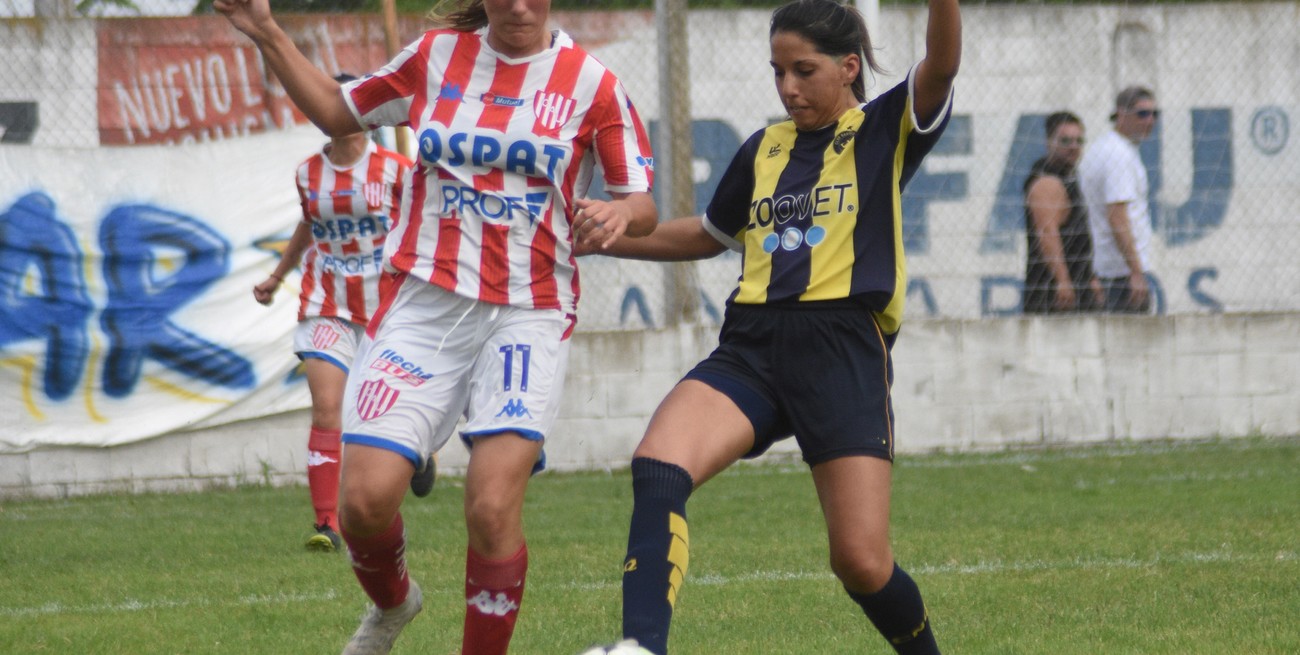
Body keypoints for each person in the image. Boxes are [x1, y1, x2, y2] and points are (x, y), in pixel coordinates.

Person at [216, 0, 658, 653]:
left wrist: (623, 218)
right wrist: (266, 32)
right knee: (363, 505)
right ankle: (394, 603)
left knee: (490, 505)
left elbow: (640, 198)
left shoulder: (592, 84)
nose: (518, 6)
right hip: (423, 304)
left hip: (527, 312)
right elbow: (340, 112)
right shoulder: (435, 58)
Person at [576, 0, 959, 653]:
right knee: (659, 465)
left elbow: (943, 64)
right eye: (777, 71)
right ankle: (640, 646)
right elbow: (707, 234)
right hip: (751, 345)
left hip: (842, 350)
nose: (787, 87)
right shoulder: (764, 148)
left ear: (847, 68)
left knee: (861, 561)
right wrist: (608, 237)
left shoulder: (882, 127)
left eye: (803, 70)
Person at [252, 83, 428, 553]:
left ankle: (420, 453)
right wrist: (277, 276)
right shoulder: (308, 172)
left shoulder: (397, 170)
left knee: (390, 413)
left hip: (387, 309)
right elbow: (308, 225)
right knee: (328, 407)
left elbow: (422, 225)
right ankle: (326, 524)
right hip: (325, 302)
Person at [1077, 86, 1158, 313]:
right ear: (1121, 114)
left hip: (1112, 271)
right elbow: (1117, 216)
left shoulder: (1107, 147)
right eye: (1142, 113)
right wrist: (1135, 272)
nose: (1150, 120)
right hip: (1121, 274)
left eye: (1154, 114)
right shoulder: (1118, 155)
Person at [1022, 110, 1101, 314]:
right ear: (1049, 142)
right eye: (1065, 141)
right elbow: (1047, 233)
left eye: (1078, 141)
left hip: (1078, 286)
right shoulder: (1046, 182)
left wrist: (1090, 277)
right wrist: (1062, 281)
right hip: (1052, 293)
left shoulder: (1070, 178)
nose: (1073, 147)